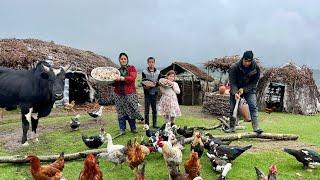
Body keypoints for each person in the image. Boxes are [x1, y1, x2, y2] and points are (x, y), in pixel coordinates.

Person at [225, 50, 263, 134]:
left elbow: (254, 83)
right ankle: (232, 127)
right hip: (235, 88)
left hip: (249, 89)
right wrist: (235, 93)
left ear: (251, 60)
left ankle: (256, 128)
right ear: (242, 59)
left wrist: (244, 89)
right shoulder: (234, 67)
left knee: (253, 106)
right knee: (232, 108)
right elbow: (232, 82)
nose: (247, 63)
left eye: (249, 61)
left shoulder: (255, 68)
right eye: (245, 61)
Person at [113, 52, 143, 135]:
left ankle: (133, 128)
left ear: (127, 60)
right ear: (119, 60)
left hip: (130, 93)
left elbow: (132, 78)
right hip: (119, 94)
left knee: (131, 110)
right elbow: (114, 83)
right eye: (121, 59)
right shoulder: (117, 71)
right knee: (121, 111)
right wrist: (112, 80)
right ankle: (122, 129)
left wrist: (123, 78)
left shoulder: (131, 68)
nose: (123, 60)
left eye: (124, 59)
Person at [141, 57, 161, 128]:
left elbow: (160, 82)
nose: (151, 63)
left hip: (155, 93)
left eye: (152, 62)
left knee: (154, 109)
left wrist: (156, 84)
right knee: (146, 110)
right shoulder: (144, 71)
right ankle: (147, 125)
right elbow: (143, 82)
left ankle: (154, 124)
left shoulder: (158, 72)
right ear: (147, 63)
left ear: (154, 63)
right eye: (150, 62)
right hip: (147, 93)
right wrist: (146, 86)